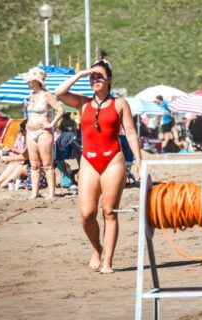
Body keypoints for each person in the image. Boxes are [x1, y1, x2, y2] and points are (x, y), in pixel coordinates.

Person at [56, 59, 141, 274]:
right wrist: (81, 73)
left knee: (109, 212)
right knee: (87, 214)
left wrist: (139, 160)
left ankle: (108, 261)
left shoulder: (120, 104)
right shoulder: (83, 103)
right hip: (89, 162)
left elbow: (130, 132)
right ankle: (97, 248)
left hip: (113, 160)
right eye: (92, 77)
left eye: (99, 76)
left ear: (109, 80)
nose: (95, 80)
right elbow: (59, 92)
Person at [21, 67, 64, 199]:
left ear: (36, 81)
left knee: (47, 164)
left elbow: (60, 109)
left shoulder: (46, 94)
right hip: (30, 131)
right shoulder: (31, 95)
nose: (28, 83)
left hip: (44, 132)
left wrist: (51, 124)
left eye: (30, 80)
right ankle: (35, 192)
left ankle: (51, 193)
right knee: (34, 164)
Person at [0, 120, 29, 188]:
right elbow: (26, 153)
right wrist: (12, 150)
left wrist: (9, 158)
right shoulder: (29, 139)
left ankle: (2, 183)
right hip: (28, 165)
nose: (21, 134)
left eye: (22, 131)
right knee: (12, 165)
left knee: (3, 185)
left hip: (36, 169)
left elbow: (26, 156)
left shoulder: (33, 140)